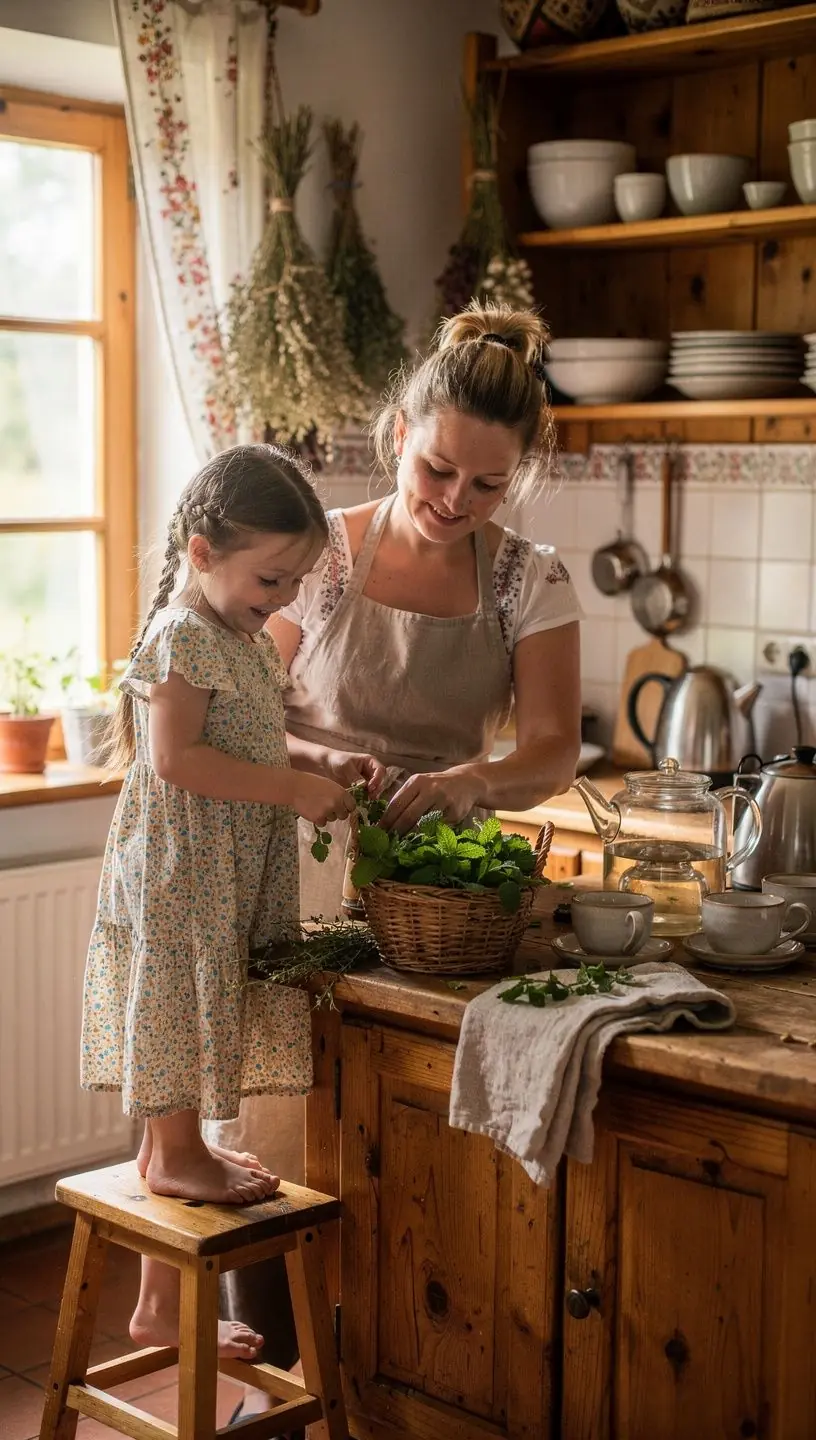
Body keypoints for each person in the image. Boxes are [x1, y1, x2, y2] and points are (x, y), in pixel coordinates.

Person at [217, 300, 583, 1415]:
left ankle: (403, 1381)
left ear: (516, 480)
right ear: (396, 432)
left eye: (485, 486)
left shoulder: (532, 579)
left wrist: (474, 783)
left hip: (436, 902)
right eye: (436, 471)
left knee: (408, 1141)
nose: (452, 503)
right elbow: (231, 712)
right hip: (288, 864)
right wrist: (328, 759)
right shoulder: (319, 558)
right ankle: (274, 1389)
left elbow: (555, 748)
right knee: (276, 1132)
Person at [80, 442, 357, 1362]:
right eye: (269, 578)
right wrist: (289, 793)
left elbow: (255, 738)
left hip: (221, 866)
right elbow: (176, 759)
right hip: (179, 867)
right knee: (178, 1010)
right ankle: (178, 1153)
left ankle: (171, 1187)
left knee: (204, 1010)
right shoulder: (181, 634)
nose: (279, 601)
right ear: (202, 553)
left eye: (291, 584)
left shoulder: (235, 636)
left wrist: (319, 763)